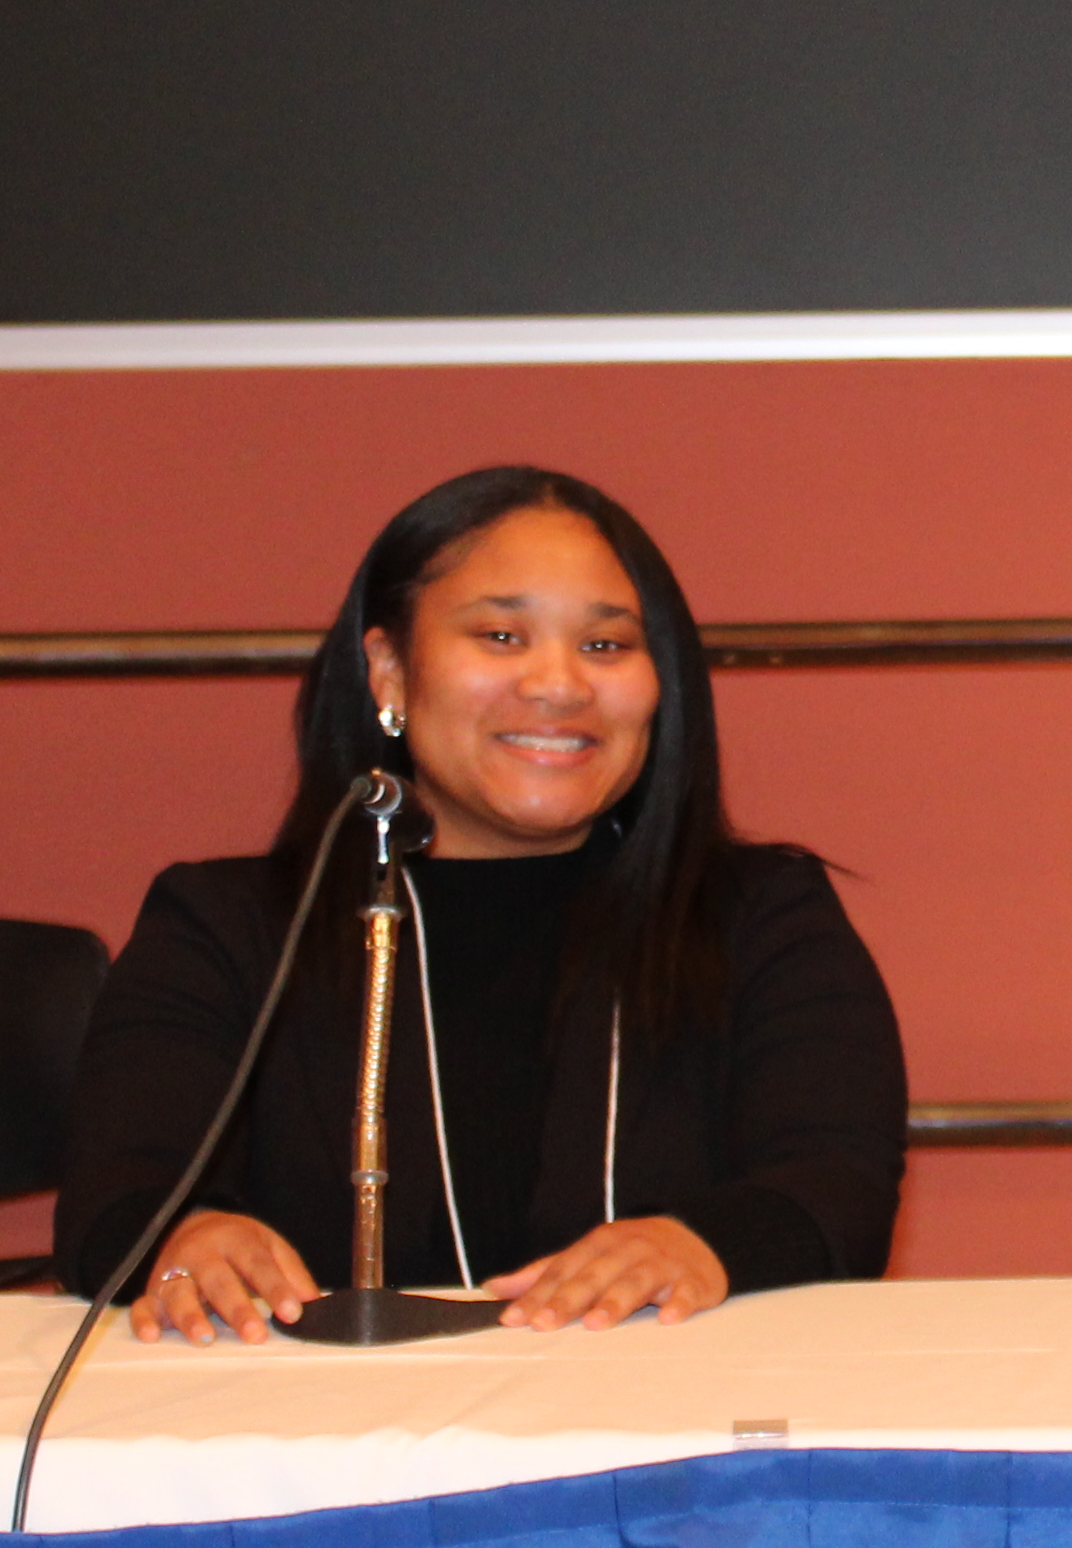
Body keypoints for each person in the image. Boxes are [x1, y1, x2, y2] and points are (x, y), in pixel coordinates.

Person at [69, 465, 907, 1335]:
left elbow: (836, 1186)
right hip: (322, 1444)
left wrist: (702, 1245)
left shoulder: (762, 915)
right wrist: (188, 1237)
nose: (559, 685)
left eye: (607, 646)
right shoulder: (226, 925)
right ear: (389, 671)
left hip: (665, 1434)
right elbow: (115, 1198)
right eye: (502, 637)